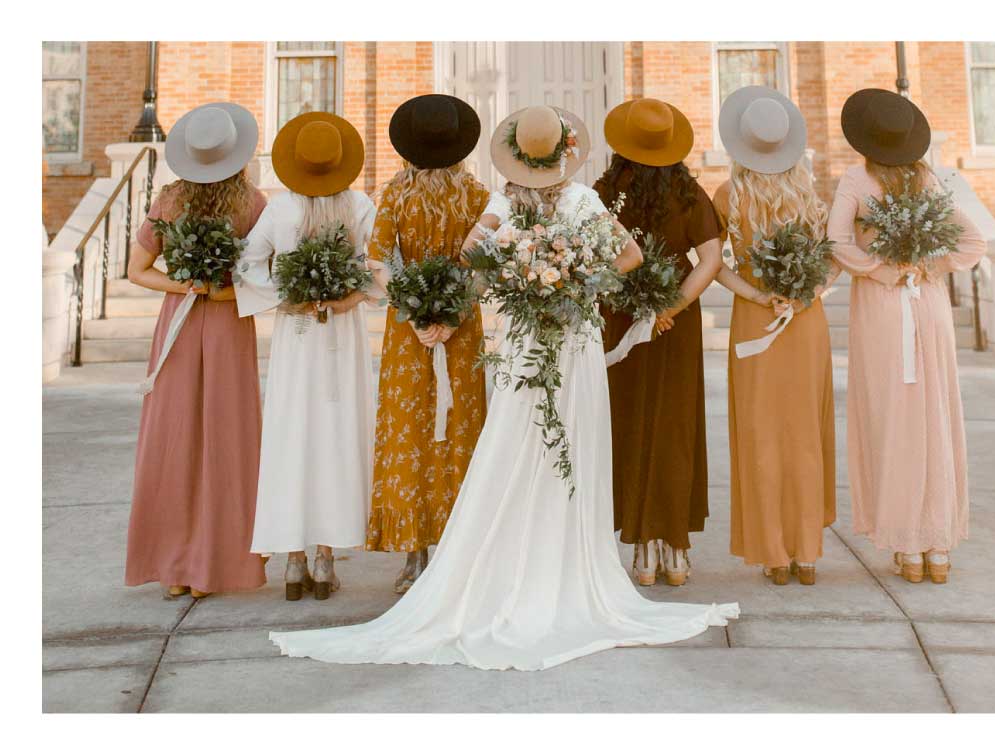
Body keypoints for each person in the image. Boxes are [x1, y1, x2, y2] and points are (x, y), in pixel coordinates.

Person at [266, 104, 739, 671]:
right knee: (571, 449)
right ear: (567, 154)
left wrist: (517, 281)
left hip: (522, 341)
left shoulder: (500, 202)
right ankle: (564, 567)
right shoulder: (585, 201)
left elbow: (472, 258)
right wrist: (578, 283)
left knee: (515, 445)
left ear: (517, 157)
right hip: (574, 340)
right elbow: (631, 257)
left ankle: (501, 562)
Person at [829, 88, 986, 584]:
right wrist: (929, 266)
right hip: (929, 304)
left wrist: (881, 270)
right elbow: (974, 241)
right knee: (933, 416)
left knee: (891, 417)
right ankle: (937, 548)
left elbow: (834, 241)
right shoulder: (929, 179)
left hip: (882, 308)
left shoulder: (855, 179)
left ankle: (907, 546)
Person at [125, 103, 267, 599]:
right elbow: (262, 277)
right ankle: (214, 564)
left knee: (174, 436)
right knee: (226, 438)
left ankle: (174, 569)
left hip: (179, 323)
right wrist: (219, 292)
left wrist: (183, 285)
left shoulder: (168, 199)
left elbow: (136, 270)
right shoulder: (253, 203)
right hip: (227, 323)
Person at [236, 112, 377, 601]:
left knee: (292, 435)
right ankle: (323, 555)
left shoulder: (281, 209)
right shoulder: (359, 204)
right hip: (340, 333)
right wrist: (345, 300)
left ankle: (294, 563)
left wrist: (284, 296)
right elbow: (377, 269)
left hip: (296, 336)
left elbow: (247, 263)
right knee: (334, 438)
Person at [362, 94, 490, 593]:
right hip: (462, 331)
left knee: (409, 432)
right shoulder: (477, 195)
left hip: (407, 333)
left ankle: (414, 556)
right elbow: (485, 266)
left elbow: (377, 263)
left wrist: (414, 313)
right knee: (460, 431)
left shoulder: (395, 193)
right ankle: (459, 552)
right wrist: (455, 316)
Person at [712, 86, 837, 586]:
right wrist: (808, 297)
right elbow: (833, 261)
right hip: (805, 322)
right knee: (805, 430)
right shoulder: (810, 193)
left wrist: (759, 296)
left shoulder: (728, 195)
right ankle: (806, 554)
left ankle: (773, 555)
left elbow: (713, 266)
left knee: (762, 432)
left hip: (755, 317)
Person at [595, 98, 722, 587]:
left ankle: (642, 549)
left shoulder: (605, 191)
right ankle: (675, 549)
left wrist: (636, 303)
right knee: (673, 423)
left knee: (628, 420)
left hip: (620, 317)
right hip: (676, 322)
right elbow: (710, 260)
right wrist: (671, 307)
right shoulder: (689, 191)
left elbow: (594, 256)